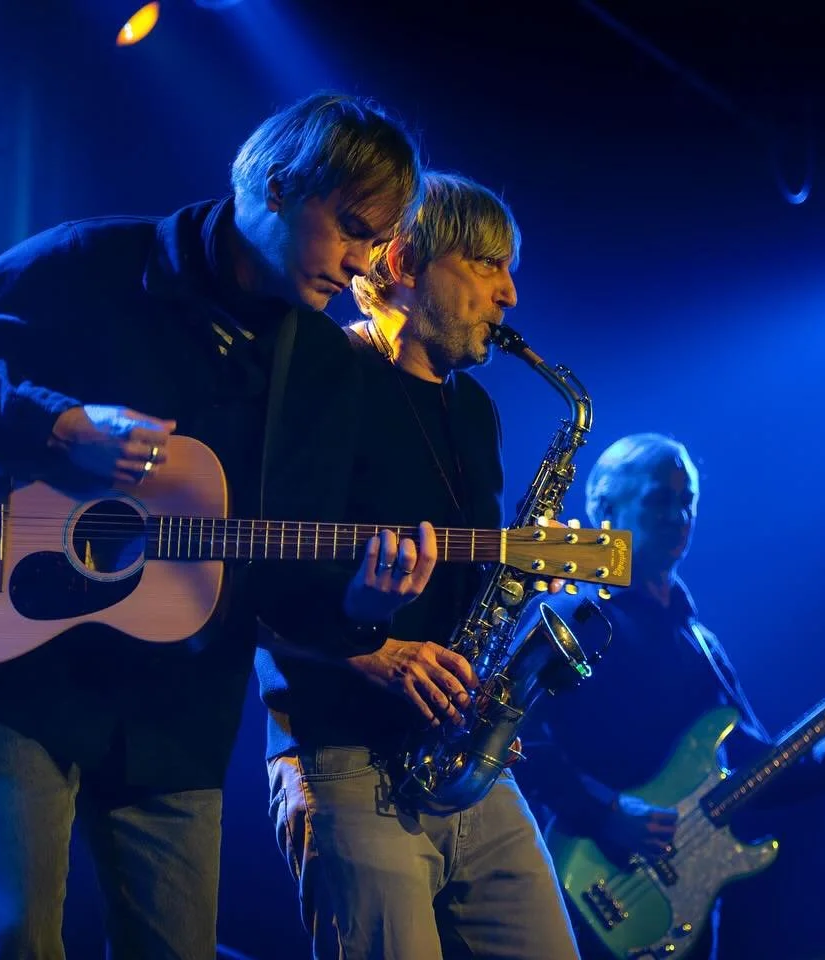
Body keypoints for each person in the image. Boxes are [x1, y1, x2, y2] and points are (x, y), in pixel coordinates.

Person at [0, 92, 435, 960]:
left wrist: (361, 600)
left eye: (375, 244)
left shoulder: (322, 366)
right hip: (16, 673)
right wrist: (54, 427)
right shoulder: (96, 260)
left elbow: (278, 581)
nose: (358, 265)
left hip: (176, 714)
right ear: (277, 186)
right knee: (13, 939)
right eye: (350, 227)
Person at [255, 171, 583, 959]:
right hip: (344, 763)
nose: (508, 294)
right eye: (485, 265)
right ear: (402, 263)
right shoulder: (320, 377)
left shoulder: (474, 411)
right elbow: (245, 579)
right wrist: (375, 652)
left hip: (462, 764)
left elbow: (468, 595)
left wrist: (515, 593)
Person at [517, 433, 825, 960]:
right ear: (605, 509)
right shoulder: (577, 616)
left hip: (683, 911)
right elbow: (517, 739)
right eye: (661, 498)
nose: (679, 515)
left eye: (689, 501)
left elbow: (761, 768)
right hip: (581, 881)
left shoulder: (700, 642)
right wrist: (604, 812)